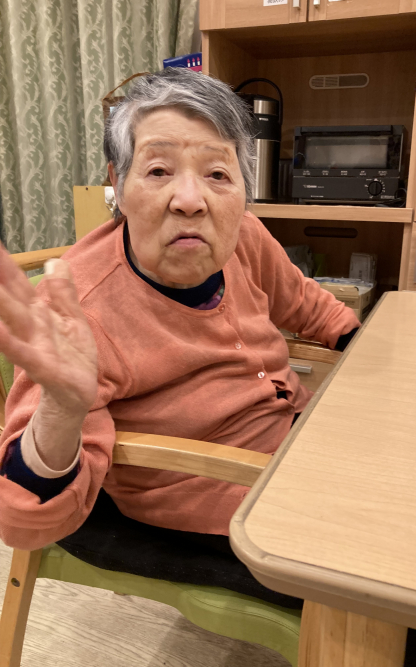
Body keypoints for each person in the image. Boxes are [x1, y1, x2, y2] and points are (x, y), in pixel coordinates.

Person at [0, 68, 359, 607]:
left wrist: (363, 346)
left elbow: (307, 304)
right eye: (159, 170)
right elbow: (22, 519)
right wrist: (62, 410)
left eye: (218, 174)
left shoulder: (244, 237)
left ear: (243, 188)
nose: (190, 199)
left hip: (300, 440)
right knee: (408, 584)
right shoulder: (81, 308)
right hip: (215, 496)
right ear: (118, 185)